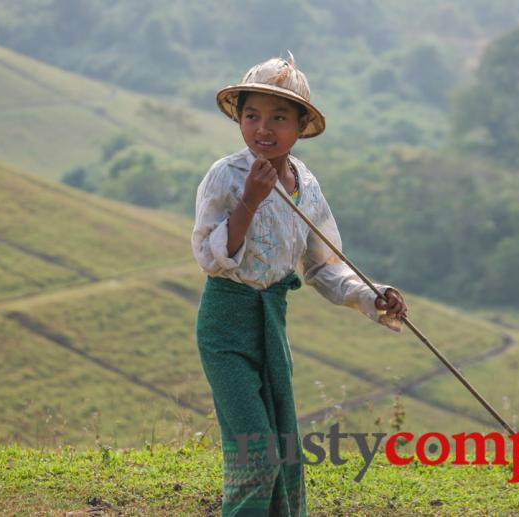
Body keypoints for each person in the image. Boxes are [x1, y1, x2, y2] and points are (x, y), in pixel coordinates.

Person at [192, 53, 407, 516]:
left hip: (272, 324)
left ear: (301, 125)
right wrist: (249, 201)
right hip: (225, 325)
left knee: (282, 452)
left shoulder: (305, 185)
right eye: (252, 116)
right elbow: (211, 256)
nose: (262, 129)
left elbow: (324, 266)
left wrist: (373, 295)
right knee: (256, 453)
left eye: (279, 118)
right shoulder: (226, 177)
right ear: (239, 118)